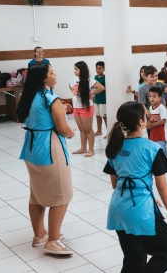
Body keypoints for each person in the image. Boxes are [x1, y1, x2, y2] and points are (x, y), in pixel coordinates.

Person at [103, 102, 167, 272]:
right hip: (140, 210)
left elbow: (116, 184)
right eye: (146, 115)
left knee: (134, 259)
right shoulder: (152, 148)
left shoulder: (115, 147)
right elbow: (162, 186)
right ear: (141, 122)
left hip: (118, 208)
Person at [17, 63, 76, 255]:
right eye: (51, 72)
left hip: (32, 147)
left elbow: (40, 115)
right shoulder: (51, 98)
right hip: (49, 148)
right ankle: (53, 240)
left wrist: (60, 108)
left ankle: (40, 235)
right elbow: (62, 129)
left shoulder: (30, 96)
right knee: (62, 194)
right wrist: (72, 132)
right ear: (44, 78)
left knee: (37, 194)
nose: (55, 74)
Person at [69, 61, 104, 158]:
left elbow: (101, 87)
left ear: (82, 70)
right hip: (76, 107)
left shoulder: (89, 80)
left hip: (86, 107)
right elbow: (70, 87)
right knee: (81, 129)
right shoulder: (73, 79)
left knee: (88, 129)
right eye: (74, 69)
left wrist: (91, 94)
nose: (74, 71)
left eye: (76, 69)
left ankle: (91, 149)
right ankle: (83, 148)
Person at [138, 66, 167, 136]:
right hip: (151, 117)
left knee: (162, 134)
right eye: (152, 76)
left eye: (156, 76)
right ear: (145, 77)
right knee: (152, 135)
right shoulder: (143, 88)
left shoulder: (160, 85)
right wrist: (146, 111)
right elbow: (141, 103)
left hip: (161, 115)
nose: (155, 78)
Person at [147, 87, 167, 156]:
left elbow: (164, 120)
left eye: (154, 96)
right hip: (154, 133)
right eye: (150, 96)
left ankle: (164, 165)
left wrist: (152, 125)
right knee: (155, 151)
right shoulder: (150, 107)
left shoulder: (161, 107)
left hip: (161, 134)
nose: (151, 98)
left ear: (159, 98)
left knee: (161, 152)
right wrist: (149, 122)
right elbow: (153, 120)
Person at [94, 61, 107, 138]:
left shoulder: (105, 77)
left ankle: (109, 132)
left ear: (104, 69)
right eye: (97, 68)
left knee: (104, 116)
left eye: (100, 68)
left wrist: (101, 88)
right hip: (96, 99)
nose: (98, 70)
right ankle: (99, 131)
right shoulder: (95, 77)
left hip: (103, 100)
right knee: (97, 115)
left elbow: (107, 88)